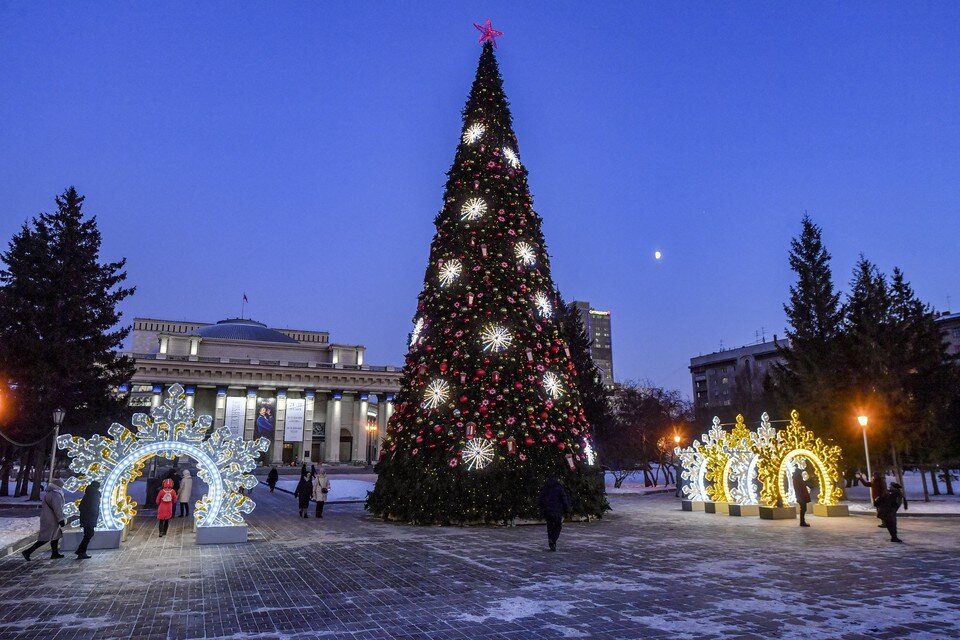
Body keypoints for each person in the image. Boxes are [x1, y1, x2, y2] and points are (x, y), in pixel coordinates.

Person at [22, 477, 66, 561]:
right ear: (59, 485)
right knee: (46, 538)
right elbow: (57, 508)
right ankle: (28, 551)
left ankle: (55, 553)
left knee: (55, 536)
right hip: (51, 519)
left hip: (48, 518)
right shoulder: (55, 494)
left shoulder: (50, 493)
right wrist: (61, 519)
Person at [538, 476, 570, 552]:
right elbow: (564, 500)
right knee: (558, 526)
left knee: (550, 527)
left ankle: (551, 540)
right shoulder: (559, 488)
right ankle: (553, 539)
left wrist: (542, 509)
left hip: (548, 511)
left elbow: (541, 499)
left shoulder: (545, 488)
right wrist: (567, 511)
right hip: (557, 511)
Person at [75, 480, 101, 559]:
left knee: (88, 534)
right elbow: (94, 508)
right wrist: (94, 514)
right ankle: (81, 551)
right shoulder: (94, 495)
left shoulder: (87, 494)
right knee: (89, 534)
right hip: (90, 518)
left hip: (86, 518)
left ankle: (81, 551)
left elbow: (81, 507)